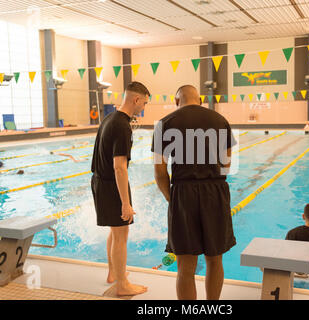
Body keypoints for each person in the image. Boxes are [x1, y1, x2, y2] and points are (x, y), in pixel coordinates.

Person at [152, 85, 237, 300]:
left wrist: (173, 199)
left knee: (185, 266)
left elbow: (159, 171)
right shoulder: (220, 120)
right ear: (200, 99)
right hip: (215, 191)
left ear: (176, 100)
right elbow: (227, 164)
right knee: (215, 259)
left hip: (183, 191)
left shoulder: (164, 123)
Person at [91, 81, 150, 297]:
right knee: (121, 234)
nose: (143, 107)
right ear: (136, 99)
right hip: (111, 184)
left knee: (115, 232)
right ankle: (122, 285)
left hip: (100, 180)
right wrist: (125, 203)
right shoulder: (122, 125)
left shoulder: (110, 118)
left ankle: (113, 274)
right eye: (144, 103)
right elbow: (119, 166)